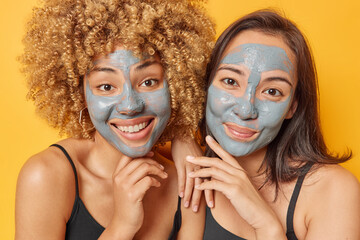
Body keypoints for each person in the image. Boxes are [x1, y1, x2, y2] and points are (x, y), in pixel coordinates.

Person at [15, 0, 215, 239]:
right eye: (107, 86)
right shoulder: (48, 176)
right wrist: (121, 226)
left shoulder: (186, 182)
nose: (131, 106)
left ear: (176, 83)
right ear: (80, 94)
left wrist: (184, 135)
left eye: (149, 82)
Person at [186, 10, 360, 239]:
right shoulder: (178, 177)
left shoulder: (333, 190)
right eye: (230, 81)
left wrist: (267, 226)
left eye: (272, 91)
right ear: (205, 85)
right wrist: (181, 136)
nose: (246, 109)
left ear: (292, 106)